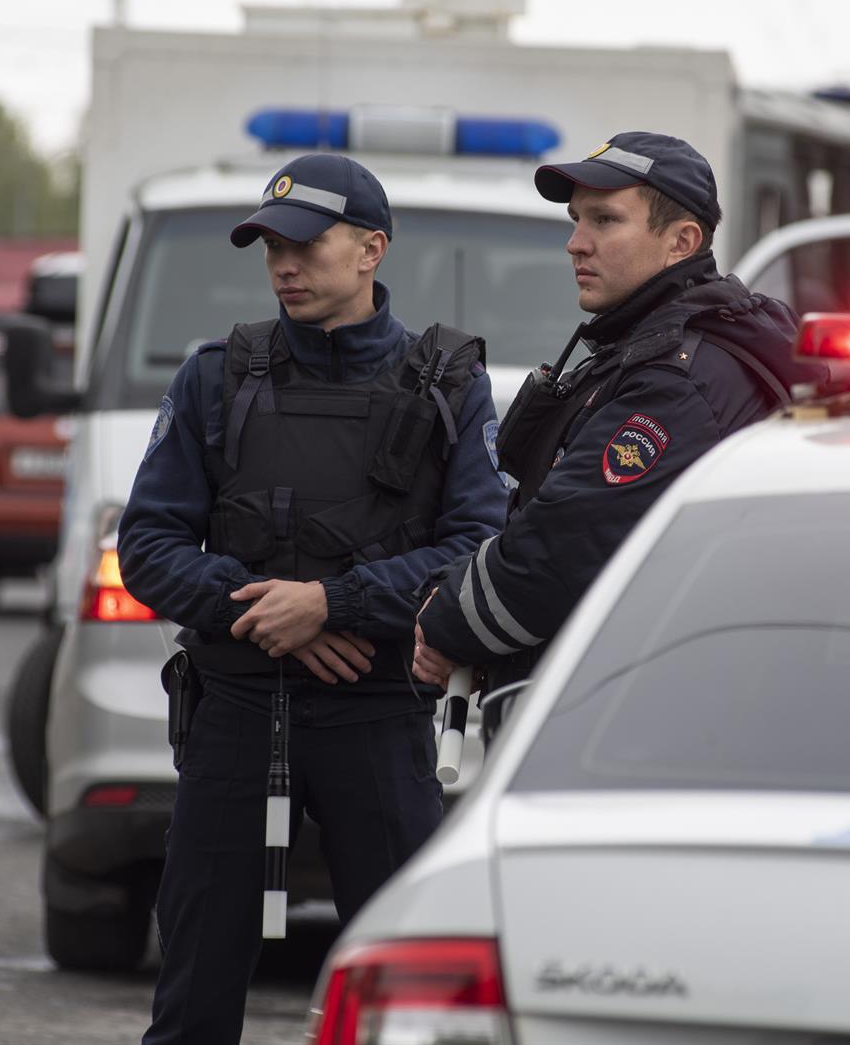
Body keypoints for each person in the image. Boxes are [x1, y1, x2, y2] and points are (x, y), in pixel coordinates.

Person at [119, 152, 508, 1045]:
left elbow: (480, 547)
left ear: (372, 248)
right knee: (193, 997)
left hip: (374, 716)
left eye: (306, 243)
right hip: (237, 709)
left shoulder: (446, 382)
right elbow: (146, 546)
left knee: (406, 988)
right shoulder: (217, 375)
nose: (283, 264)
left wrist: (334, 603)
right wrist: (274, 617)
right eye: (269, 247)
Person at [409, 131, 811, 727]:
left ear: (682, 242)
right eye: (576, 221)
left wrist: (445, 620)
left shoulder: (679, 379)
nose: (575, 243)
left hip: (631, 717)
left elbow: (565, 545)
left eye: (604, 220)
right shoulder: (647, 345)